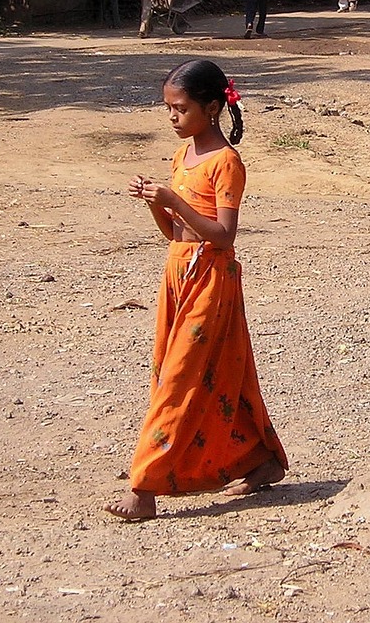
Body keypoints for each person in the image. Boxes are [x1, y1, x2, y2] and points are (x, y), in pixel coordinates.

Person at [107, 59, 288, 522]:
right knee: (213, 372)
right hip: (178, 273)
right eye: (168, 108)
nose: (172, 118)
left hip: (211, 277)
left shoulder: (227, 163)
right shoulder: (182, 156)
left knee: (181, 378)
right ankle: (257, 459)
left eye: (180, 109)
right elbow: (174, 233)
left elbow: (223, 234)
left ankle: (144, 485)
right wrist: (156, 204)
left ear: (211, 108)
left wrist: (173, 200)